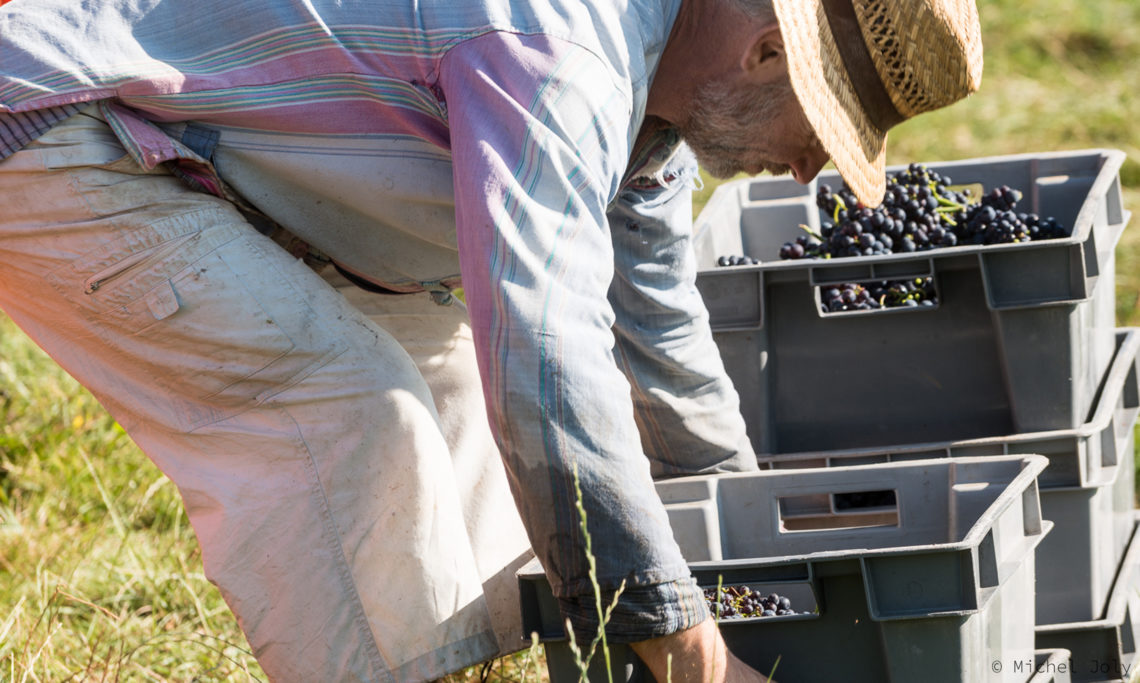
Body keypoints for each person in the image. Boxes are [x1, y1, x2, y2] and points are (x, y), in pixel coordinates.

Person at [0, 0, 982, 680]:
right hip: (62, 127)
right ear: (767, 54)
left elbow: (653, 329)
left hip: (190, 140)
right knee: (353, 411)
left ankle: (473, 658)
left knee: (461, 377)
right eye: (825, 127)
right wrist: (695, 654)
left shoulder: (653, 86)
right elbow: (549, 367)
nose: (808, 167)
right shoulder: (566, 57)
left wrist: (751, 529)